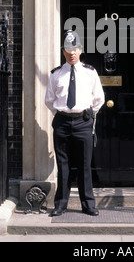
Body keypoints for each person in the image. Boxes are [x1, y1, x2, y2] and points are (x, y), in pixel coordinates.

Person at [45, 30, 105, 216]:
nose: (72, 53)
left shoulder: (90, 73)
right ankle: (61, 204)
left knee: (84, 165)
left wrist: (89, 116)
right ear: (63, 51)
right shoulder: (56, 74)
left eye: (75, 49)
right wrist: (61, 115)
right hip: (62, 122)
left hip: (83, 122)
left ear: (80, 50)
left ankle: (88, 204)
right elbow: (49, 100)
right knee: (63, 165)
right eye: (68, 49)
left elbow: (99, 98)